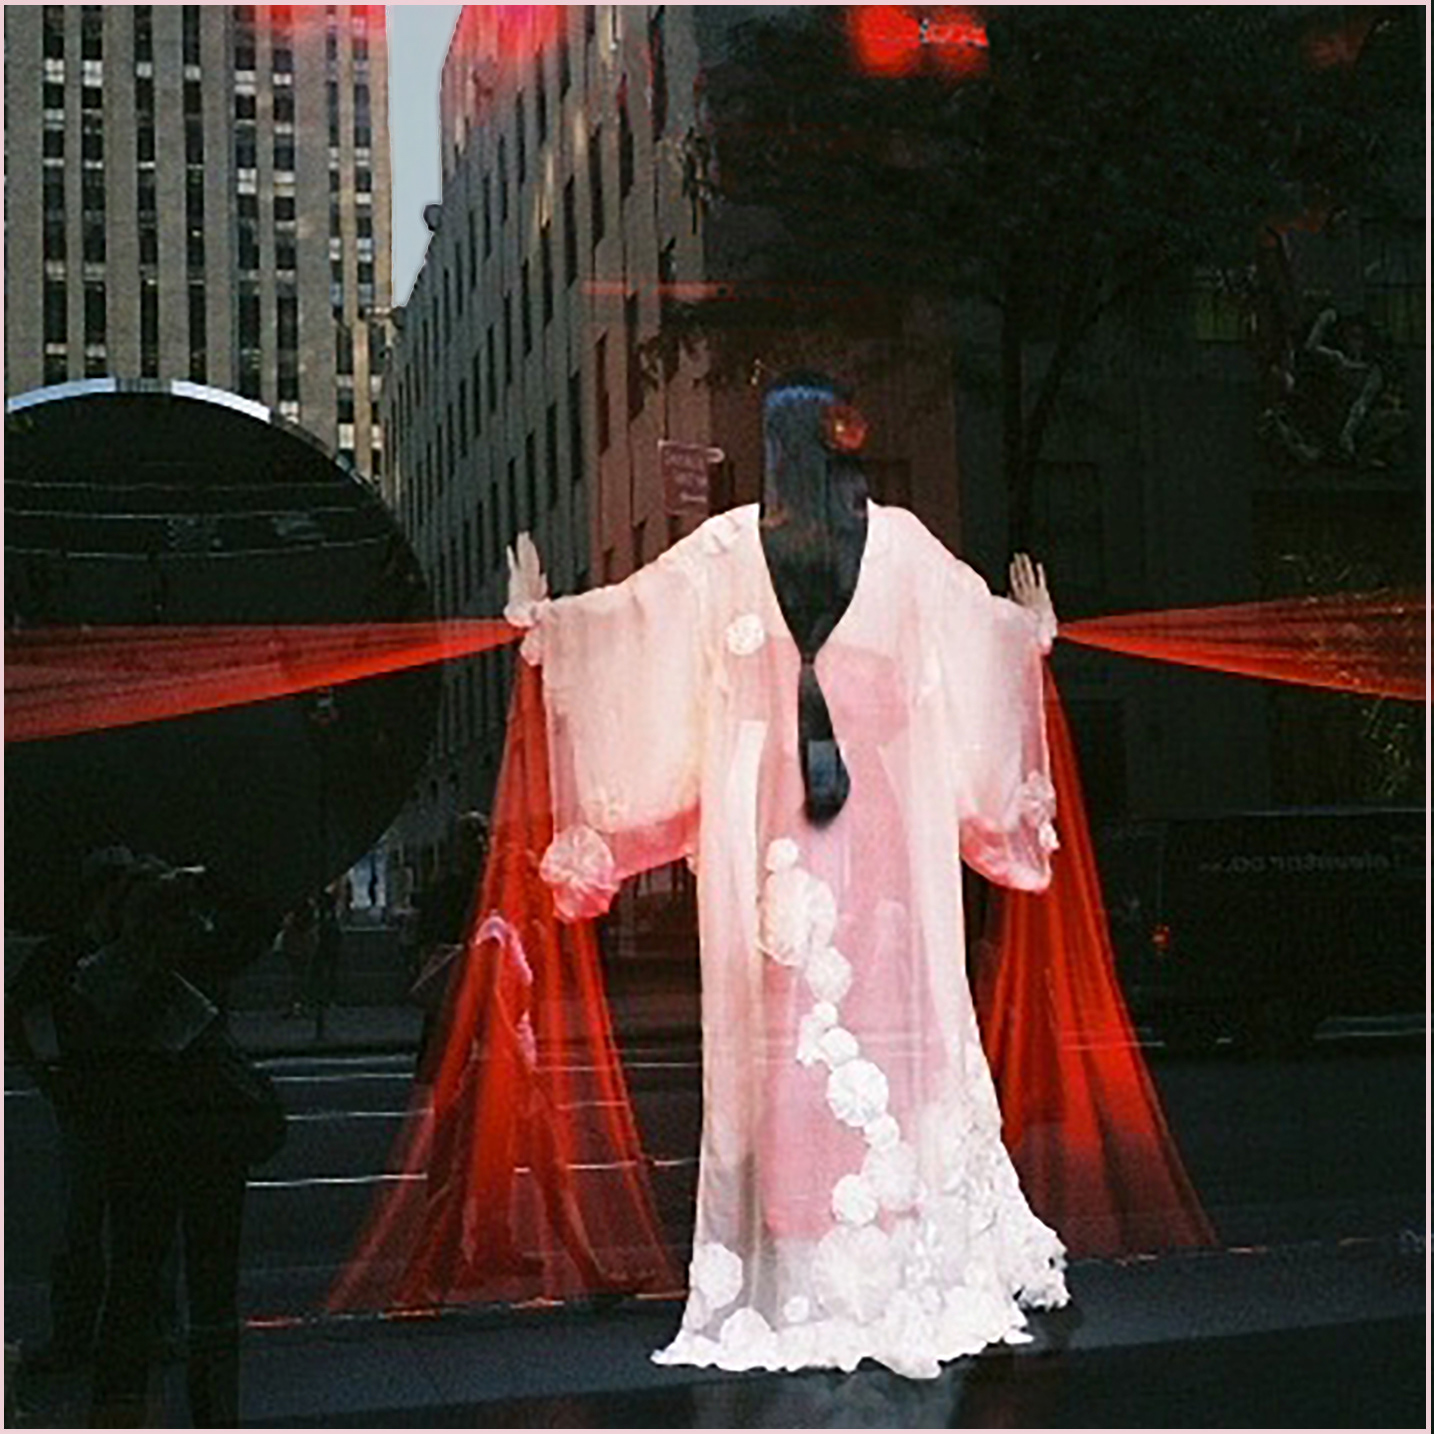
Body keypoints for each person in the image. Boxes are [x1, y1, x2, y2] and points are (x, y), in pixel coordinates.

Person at [504, 371, 1065, 1379]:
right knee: (885, 1034)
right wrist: (1023, 637)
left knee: (788, 1034)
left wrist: (557, 628)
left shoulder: (728, 554)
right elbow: (973, 634)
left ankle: (807, 1258)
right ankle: (892, 1246)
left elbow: (637, 623)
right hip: (877, 819)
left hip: (775, 828)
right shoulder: (892, 545)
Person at [75, 854, 279, 1426]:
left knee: (133, 1285)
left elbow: (90, 1074)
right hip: (211, 1144)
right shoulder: (198, 963)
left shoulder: (100, 977)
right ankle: (214, 1414)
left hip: (141, 1148)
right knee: (211, 1292)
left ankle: (118, 1412)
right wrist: (208, 880)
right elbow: (261, 920)